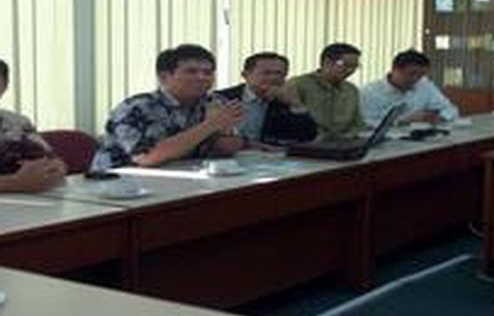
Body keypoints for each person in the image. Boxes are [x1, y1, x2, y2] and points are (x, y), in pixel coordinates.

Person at [90, 44, 245, 170]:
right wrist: (211, 125)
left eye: (208, 72)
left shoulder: (214, 102)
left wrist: (224, 131)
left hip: (184, 177)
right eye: (191, 71)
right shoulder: (136, 108)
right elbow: (148, 157)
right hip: (117, 184)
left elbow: (228, 148)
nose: (201, 77)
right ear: (164, 77)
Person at [215, 52, 316, 147]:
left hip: (273, 157)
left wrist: (295, 105)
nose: (273, 78)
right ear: (245, 75)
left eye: (279, 73)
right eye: (266, 73)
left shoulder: (285, 102)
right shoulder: (223, 98)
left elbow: (307, 136)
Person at [0, 59, 66, 192]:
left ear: (5, 86)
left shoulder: (18, 122)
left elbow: (54, 162)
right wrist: (16, 182)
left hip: (27, 199)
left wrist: (54, 169)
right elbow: (22, 182)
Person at [360, 49, 458, 127]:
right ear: (395, 70)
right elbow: (366, 123)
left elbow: (450, 109)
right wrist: (402, 120)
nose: (415, 79)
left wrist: (440, 117)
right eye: (411, 73)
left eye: (421, 74)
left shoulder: (424, 85)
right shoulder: (370, 92)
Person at [283, 43, 364, 138]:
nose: (350, 70)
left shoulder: (351, 90)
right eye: (345, 65)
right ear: (327, 62)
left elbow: (357, 125)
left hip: (343, 142)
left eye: (354, 66)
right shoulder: (298, 85)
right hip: (308, 142)